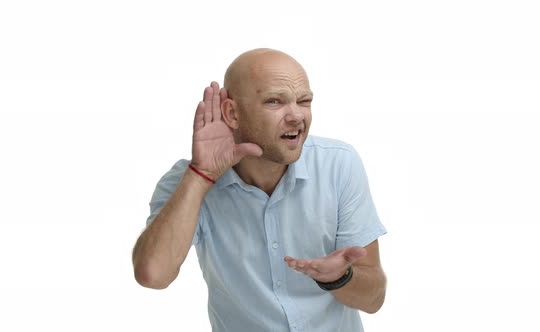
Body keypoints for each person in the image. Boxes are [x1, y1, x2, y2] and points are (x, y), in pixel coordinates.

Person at [132, 48, 387, 331]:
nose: (296, 116)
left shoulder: (338, 163)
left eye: (304, 101)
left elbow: (374, 298)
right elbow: (153, 275)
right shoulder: (185, 181)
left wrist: (340, 277)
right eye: (274, 101)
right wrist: (201, 175)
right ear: (232, 113)